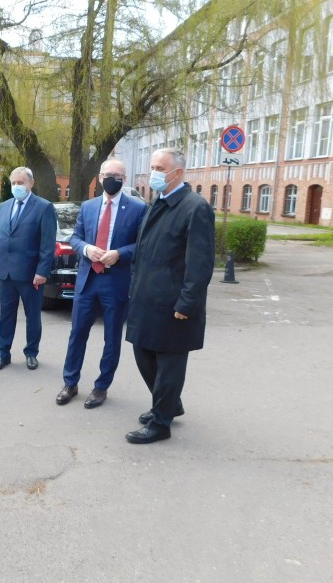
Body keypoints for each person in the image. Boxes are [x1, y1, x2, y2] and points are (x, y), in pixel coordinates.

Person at [124, 147, 215, 444]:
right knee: (143, 354)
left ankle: (161, 423)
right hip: (146, 299)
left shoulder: (194, 207)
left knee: (168, 364)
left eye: (160, 168)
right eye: (152, 167)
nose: (154, 174)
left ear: (178, 172)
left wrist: (187, 303)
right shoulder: (156, 204)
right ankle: (169, 404)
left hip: (173, 305)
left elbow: (200, 264)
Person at [55, 159, 147, 409]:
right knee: (77, 335)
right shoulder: (88, 206)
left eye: (117, 175)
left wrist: (119, 253)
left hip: (115, 282)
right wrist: (85, 248)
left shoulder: (138, 209)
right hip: (87, 281)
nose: (111, 178)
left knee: (112, 338)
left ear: (124, 179)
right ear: (99, 176)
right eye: (107, 174)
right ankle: (70, 383)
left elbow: (142, 245)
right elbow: (75, 238)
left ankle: (101, 387)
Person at [0, 167, 56, 371]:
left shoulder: (44, 207)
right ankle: (3, 353)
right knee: (5, 315)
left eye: (21, 183)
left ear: (31, 183)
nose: (17, 186)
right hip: (6, 273)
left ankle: (31, 352)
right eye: (14, 183)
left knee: (32, 316)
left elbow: (47, 244)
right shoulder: (4, 206)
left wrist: (42, 272)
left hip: (30, 275)